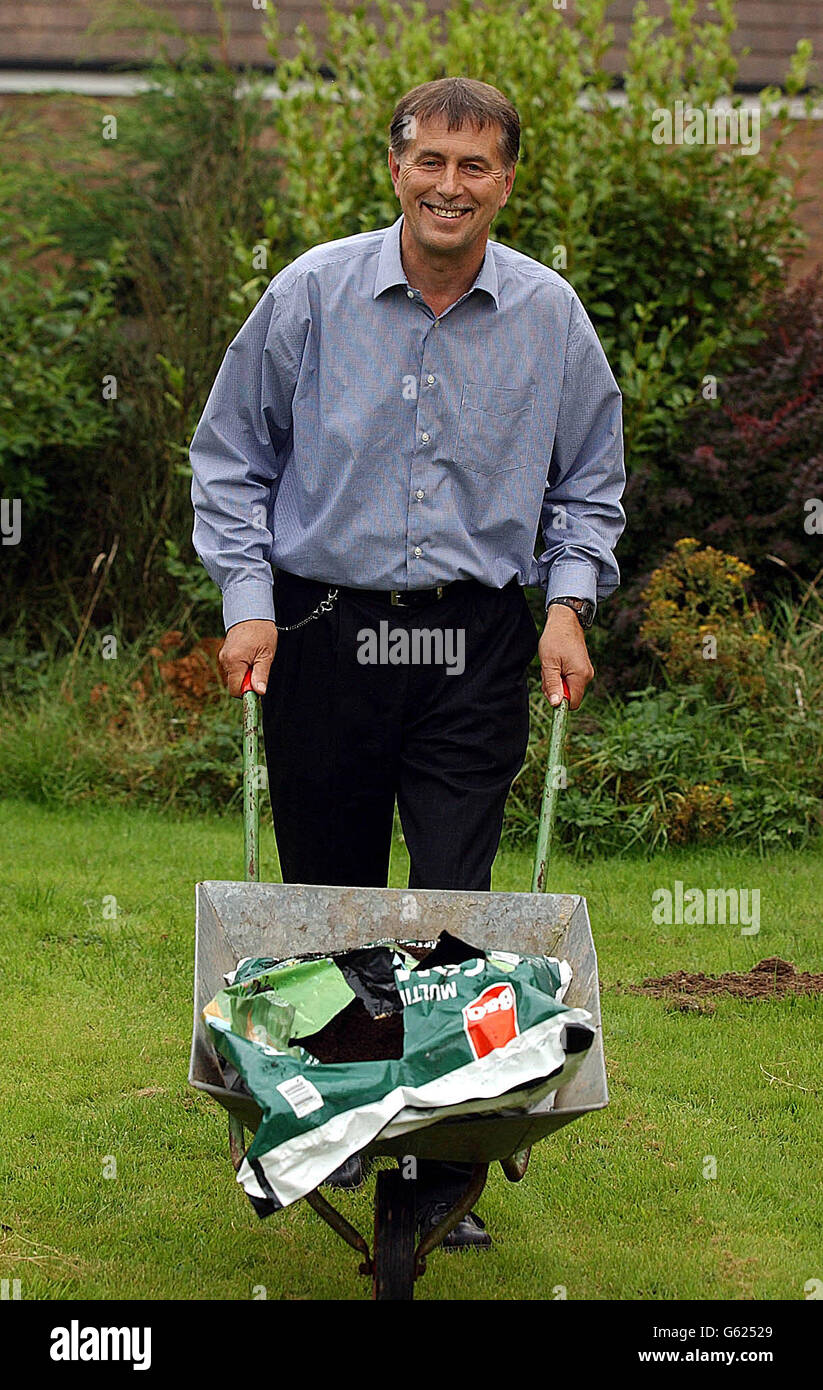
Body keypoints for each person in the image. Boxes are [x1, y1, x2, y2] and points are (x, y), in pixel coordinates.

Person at [190, 76, 626, 1249]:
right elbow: (230, 458)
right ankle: (337, 1126)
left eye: (474, 166)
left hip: (472, 642)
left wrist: (568, 604)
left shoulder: (550, 317)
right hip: (326, 629)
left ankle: (437, 1163)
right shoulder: (311, 295)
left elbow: (589, 483)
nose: (449, 185)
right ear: (394, 168)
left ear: (507, 182)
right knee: (330, 909)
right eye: (429, 160)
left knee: (451, 905)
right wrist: (247, 603)